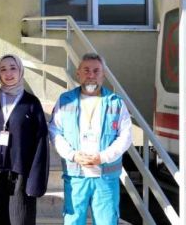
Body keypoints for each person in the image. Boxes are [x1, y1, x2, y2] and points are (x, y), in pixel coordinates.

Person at [48, 53, 132, 225]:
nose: (91, 75)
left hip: (105, 179)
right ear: (78, 73)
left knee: (106, 222)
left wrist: (103, 157)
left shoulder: (116, 102)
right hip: (76, 177)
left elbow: (126, 136)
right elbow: (55, 131)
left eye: (96, 71)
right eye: (86, 70)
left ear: (103, 75)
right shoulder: (65, 101)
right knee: (73, 221)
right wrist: (73, 155)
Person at [0, 54, 49, 225]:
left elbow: (41, 143)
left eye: (13, 68)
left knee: (19, 220)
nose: (8, 73)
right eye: (3, 69)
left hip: (21, 176)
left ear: (20, 71)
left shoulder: (32, 103)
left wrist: (35, 181)